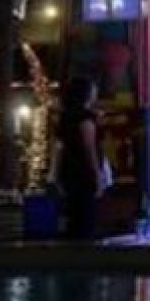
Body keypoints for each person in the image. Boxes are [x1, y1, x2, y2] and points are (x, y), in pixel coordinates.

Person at [54, 76, 104, 241]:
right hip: (83, 171)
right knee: (86, 211)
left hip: (68, 169)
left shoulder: (66, 117)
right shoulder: (85, 118)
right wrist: (97, 173)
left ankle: (74, 240)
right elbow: (89, 148)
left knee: (74, 210)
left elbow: (60, 147)